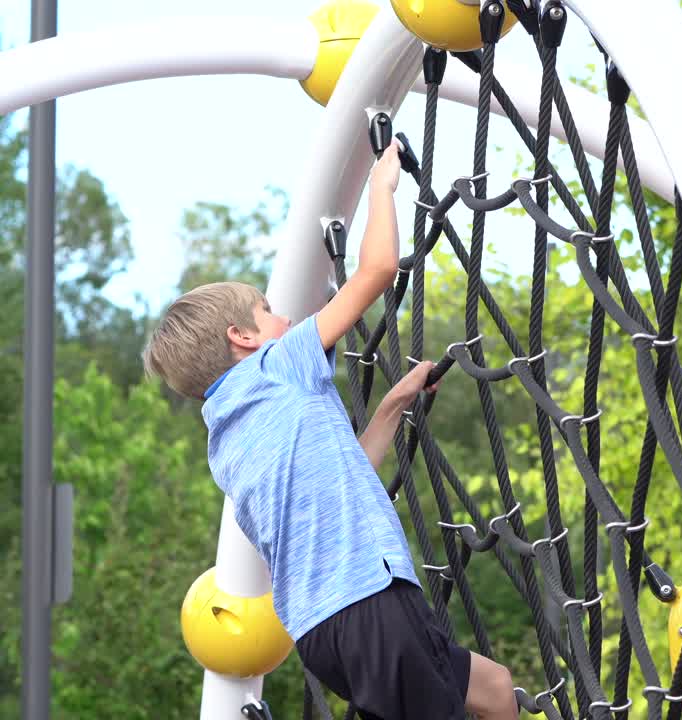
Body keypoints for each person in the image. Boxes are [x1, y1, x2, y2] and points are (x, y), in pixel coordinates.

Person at [142, 140, 516, 720]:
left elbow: (342, 480)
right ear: (243, 338)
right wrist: (381, 187)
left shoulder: (227, 441)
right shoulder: (276, 365)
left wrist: (392, 405)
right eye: (268, 311)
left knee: (492, 688)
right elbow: (378, 272)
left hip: (326, 631)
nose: (285, 320)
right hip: (370, 604)